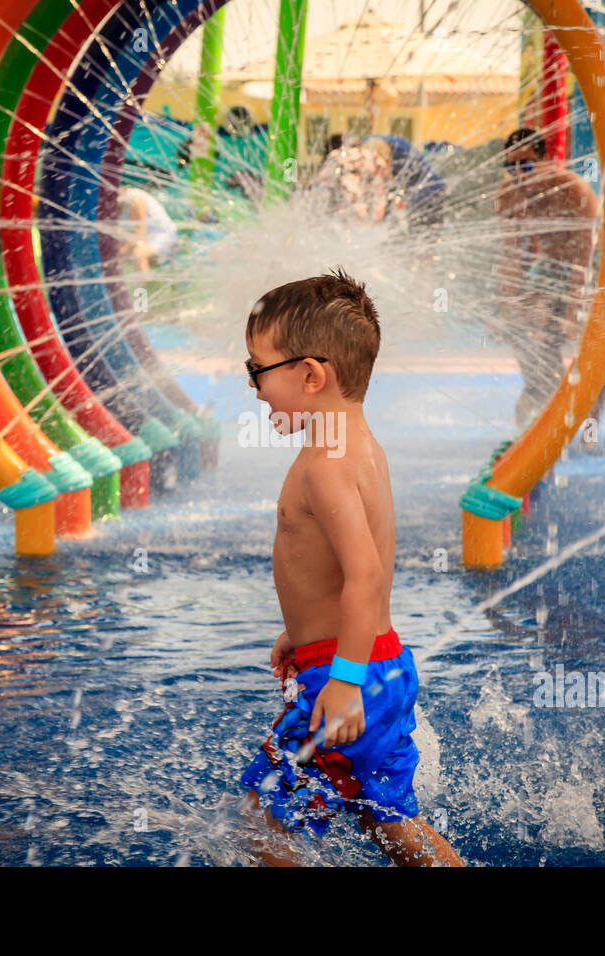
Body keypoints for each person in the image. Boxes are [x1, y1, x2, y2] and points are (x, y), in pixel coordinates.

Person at [239, 269, 464, 867]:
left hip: (347, 678)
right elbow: (352, 570)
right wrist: (305, 631)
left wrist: (339, 683)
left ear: (311, 376)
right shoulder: (358, 445)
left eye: (257, 371)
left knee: (262, 825)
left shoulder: (325, 464)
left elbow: (364, 574)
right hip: (376, 665)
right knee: (391, 822)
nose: (256, 390)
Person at [493, 127, 600, 432]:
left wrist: (570, 315)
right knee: (520, 327)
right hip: (549, 265)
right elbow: (511, 257)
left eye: (525, 165)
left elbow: (582, 263)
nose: (518, 174)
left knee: (595, 352)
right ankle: (540, 387)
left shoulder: (574, 191)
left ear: (544, 161)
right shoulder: (508, 196)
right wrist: (507, 307)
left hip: (592, 264)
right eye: (510, 167)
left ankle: (590, 431)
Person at [362, 134, 447, 238]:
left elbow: (382, 188)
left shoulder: (400, 153)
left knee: (423, 236)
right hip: (419, 188)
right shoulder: (369, 144)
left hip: (430, 192)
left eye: (379, 168)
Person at [117, 185, 178, 274]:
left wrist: (123, 250)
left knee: (138, 254)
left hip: (162, 235)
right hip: (142, 238)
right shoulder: (111, 205)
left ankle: (141, 288)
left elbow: (140, 233)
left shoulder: (134, 199)